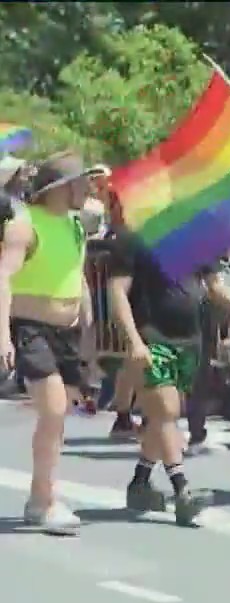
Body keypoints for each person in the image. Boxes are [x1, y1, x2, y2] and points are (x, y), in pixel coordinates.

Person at [105, 220, 230, 526]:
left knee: (163, 420)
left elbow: (213, 284)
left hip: (190, 343)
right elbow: (117, 291)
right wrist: (133, 341)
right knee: (166, 413)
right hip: (151, 339)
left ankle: (140, 483)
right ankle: (182, 491)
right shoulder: (132, 238)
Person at [0, 152, 103, 535]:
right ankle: (44, 500)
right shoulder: (24, 225)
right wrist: (3, 335)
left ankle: (38, 496)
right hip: (31, 328)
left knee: (58, 416)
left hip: (67, 333)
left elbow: (78, 281)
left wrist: (88, 337)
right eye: (81, 183)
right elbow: (3, 279)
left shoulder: (76, 226)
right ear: (61, 188)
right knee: (54, 409)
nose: (87, 190)